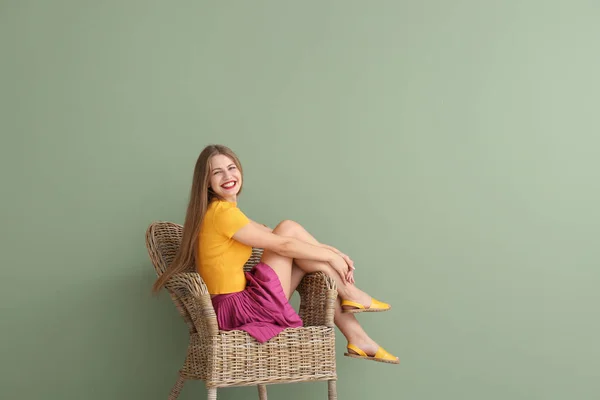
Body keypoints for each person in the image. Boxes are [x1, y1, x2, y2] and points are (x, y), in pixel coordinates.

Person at [153, 144, 399, 364]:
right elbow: (282, 244)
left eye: (231, 168)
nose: (228, 176)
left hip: (237, 304)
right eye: (217, 172)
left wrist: (331, 251)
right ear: (206, 182)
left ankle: (358, 337)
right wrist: (331, 256)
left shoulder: (224, 211)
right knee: (289, 228)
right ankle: (351, 295)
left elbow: (273, 235)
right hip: (238, 309)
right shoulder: (222, 214)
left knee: (302, 255)